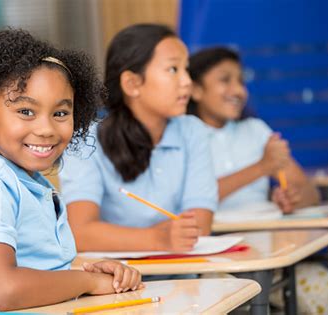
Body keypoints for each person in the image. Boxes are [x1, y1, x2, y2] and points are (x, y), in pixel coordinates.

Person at [0, 28, 142, 312]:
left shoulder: (33, 185)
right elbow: (5, 290)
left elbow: (39, 268)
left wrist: (86, 272)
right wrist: (88, 283)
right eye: (25, 112)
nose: (46, 129)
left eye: (60, 113)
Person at [59, 23, 217, 253]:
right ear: (132, 84)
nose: (187, 81)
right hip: (115, 283)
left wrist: (114, 235)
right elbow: (81, 233)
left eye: (186, 69)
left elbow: (199, 226)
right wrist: (159, 239)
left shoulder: (193, 131)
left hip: (185, 273)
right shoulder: (86, 140)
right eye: (173, 69)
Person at [187, 47, 320, 213]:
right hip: (213, 236)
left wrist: (293, 200)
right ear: (196, 90)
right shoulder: (185, 135)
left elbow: (311, 194)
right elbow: (189, 200)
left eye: (241, 81)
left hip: (263, 232)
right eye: (225, 80)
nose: (239, 91)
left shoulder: (255, 130)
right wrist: (262, 167)